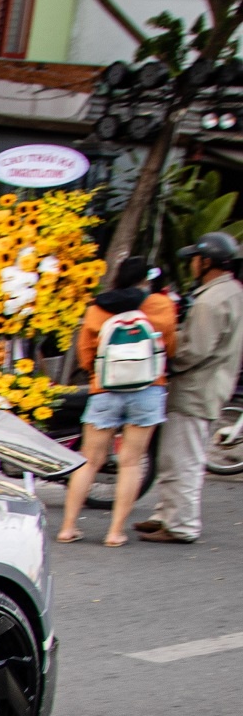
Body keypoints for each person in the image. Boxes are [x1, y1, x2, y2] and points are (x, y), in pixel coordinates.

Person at [60, 255, 177, 546]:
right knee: (131, 463)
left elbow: (86, 352)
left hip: (105, 390)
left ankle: (68, 527)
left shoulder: (98, 307)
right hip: (148, 389)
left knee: (89, 461)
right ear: (145, 280)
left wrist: (95, 375)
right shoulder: (160, 305)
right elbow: (169, 346)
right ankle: (115, 532)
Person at [142, 231, 243, 543]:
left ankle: (181, 525)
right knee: (178, 455)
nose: (193, 265)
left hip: (195, 388)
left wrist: (167, 358)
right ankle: (165, 513)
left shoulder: (211, 301)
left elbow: (194, 350)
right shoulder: (231, 291)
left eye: (196, 259)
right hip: (212, 385)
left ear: (207, 261)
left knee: (183, 458)